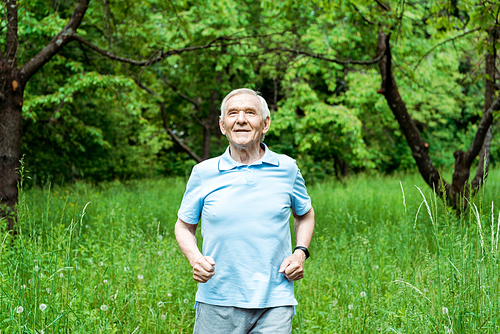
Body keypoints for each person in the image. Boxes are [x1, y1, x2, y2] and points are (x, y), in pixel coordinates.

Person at [175, 88, 315, 334]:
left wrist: (300, 253)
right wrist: (195, 259)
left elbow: (305, 214)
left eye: (250, 112)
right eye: (233, 113)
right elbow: (184, 226)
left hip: (275, 301)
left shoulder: (287, 168)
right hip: (216, 300)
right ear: (222, 125)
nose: (241, 119)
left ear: (265, 124)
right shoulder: (203, 172)